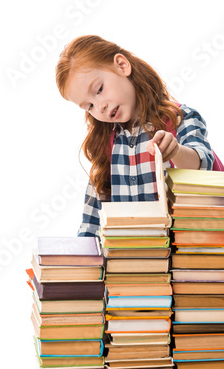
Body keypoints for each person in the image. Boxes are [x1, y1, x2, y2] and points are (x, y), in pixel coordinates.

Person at [55, 35, 215, 238]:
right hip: (127, 259)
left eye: (99, 89)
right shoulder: (107, 145)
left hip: (180, 255)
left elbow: (203, 164)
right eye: (89, 106)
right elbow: (92, 223)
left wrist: (175, 151)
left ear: (122, 66)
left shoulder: (180, 118)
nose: (100, 106)